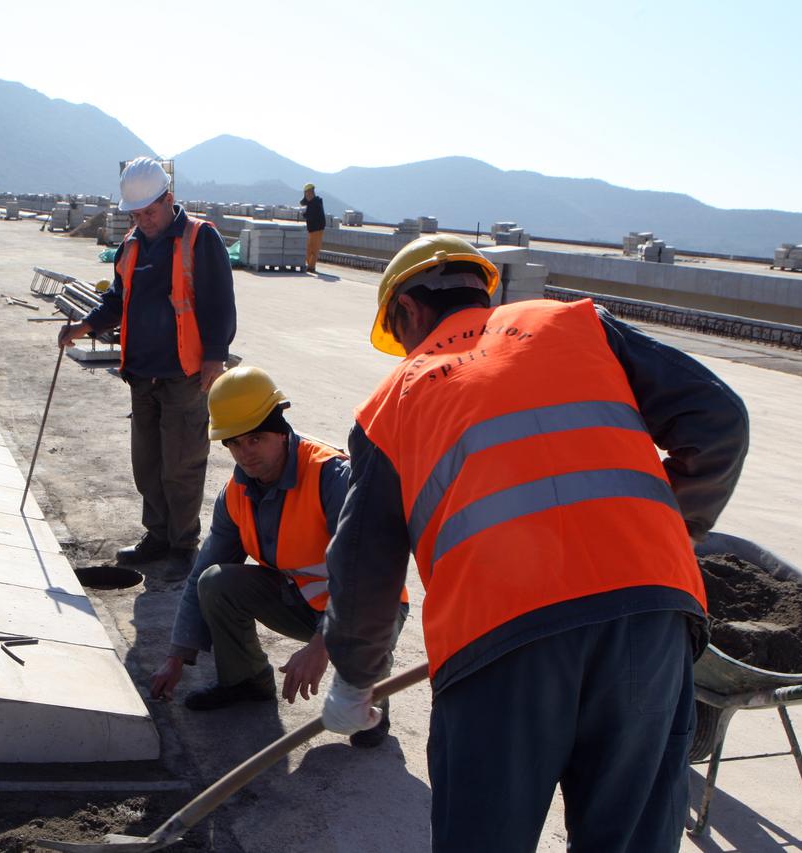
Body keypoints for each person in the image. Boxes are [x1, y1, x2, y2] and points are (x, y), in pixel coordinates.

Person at [319, 234, 749, 850]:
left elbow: (364, 572)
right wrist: (664, 531)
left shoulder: (392, 404)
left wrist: (355, 679)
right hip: (651, 618)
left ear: (408, 313)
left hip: (498, 637)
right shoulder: (577, 324)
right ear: (481, 291)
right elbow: (720, 423)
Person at [149, 367, 408, 747]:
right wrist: (177, 655)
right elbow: (201, 573)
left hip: (368, 607)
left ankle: (375, 704)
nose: (245, 454)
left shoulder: (332, 477)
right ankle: (246, 680)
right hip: (302, 599)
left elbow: (370, 576)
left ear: (282, 430)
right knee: (216, 581)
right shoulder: (235, 494)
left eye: (256, 439)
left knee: (361, 725)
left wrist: (322, 646)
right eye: (235, 444)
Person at [59, 157, 236, 574]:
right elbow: (119, 299)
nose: (144, 221)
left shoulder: (200, 238)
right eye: (136, 214)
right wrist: (85, 326)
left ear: (169, 200)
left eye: (149, 212)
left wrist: (215, 356)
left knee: (182, 465)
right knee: (148, 465)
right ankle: (156, 536)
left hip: (186, 375)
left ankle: (182, 545)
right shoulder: (132, 245)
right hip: (143, 375)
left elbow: (219, 302)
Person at [300, 183, 326, 273]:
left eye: (308, 193)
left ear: (312, 192)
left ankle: (311, 267)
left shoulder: (315, 203)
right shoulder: (312, 201)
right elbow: (302, 202)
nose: (307, 195)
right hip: (312, 229)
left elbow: (310, 215)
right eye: (305, 194)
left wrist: (304, 214)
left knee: (314, 249)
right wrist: (305, 199)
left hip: (317, 229)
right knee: (308, 248)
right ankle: (310, 266)